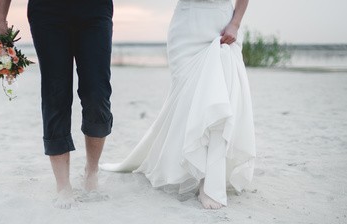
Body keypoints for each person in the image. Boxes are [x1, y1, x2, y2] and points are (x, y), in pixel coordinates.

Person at [101, 0, 256, 209]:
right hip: (186, 26)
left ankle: (209, 182)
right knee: (188, 99)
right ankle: (192, 167)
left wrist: (235, 23)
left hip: (222, 24)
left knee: (217, 98)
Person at [0, 0, 114, 209]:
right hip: (47, 11)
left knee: (97, 92)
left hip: (95, 9)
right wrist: (1, 20)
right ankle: (63, 185)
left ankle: (91, 171)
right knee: (55, 92)